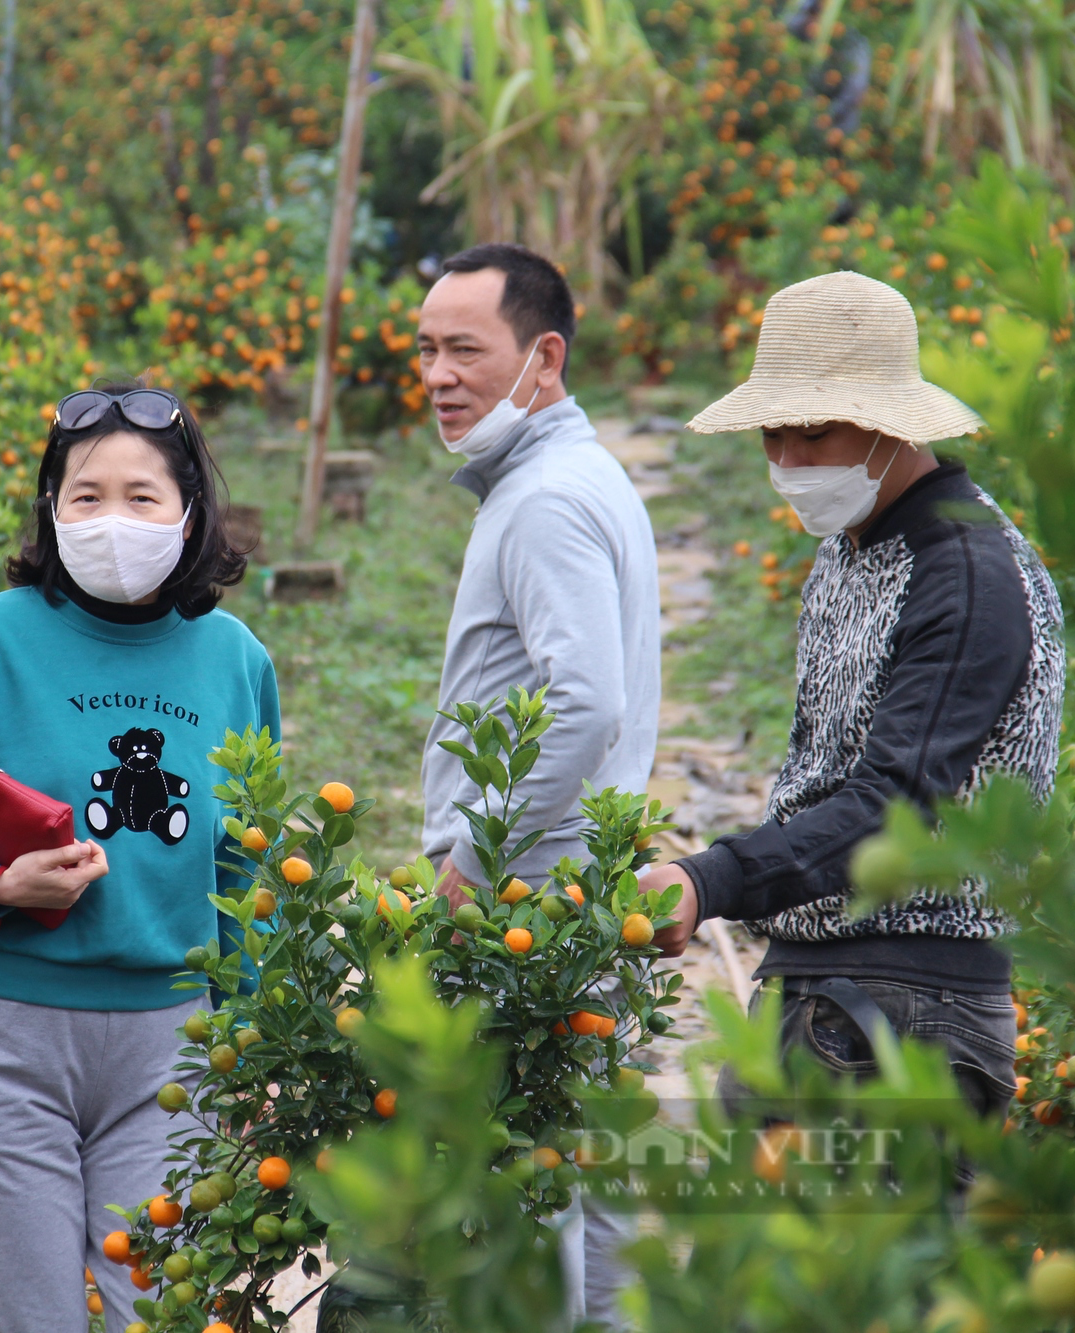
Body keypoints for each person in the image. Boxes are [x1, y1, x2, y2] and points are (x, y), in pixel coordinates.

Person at [0, 384, 279, 1333]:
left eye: (143, 497)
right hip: (5, 1037)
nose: (113, 519)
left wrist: (253, 1045)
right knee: (29, 1316)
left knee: (164, 1312)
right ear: (51, 511)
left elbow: (250, 873)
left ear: (190, 513)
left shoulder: (235, 660)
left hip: (170, 1046)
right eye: (86, 496)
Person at [640, 269, 1065, 1122]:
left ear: (887, 425)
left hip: (908, 1012)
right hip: (823, 993)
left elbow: (891, 808)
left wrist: (710, 877)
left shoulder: (968, 575)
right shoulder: (854, 547)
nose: (789, 462)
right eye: (773, 436)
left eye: (814, 433)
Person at [413, 241, 661, 1325]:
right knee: (577, 1175)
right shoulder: (564, 478)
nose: (436, 374)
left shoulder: (546, 499)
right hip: (564, 886)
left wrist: (478, 851)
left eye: (465, 349)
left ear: (543, 357)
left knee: (531, 1180)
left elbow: (586, 703)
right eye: (424, 350)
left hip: (530, 896)